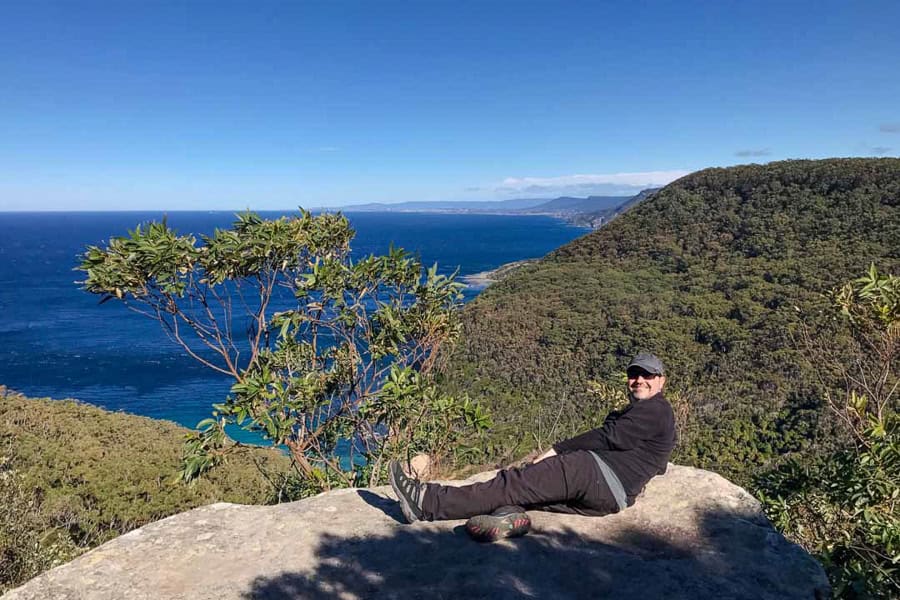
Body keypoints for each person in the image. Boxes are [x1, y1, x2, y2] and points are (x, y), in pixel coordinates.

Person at [389, 352, 677, 542]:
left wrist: (557, 449)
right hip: (610, 500)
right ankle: (509, 516)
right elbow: (659, 462)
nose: (639, 380)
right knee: (533, 494)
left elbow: (610, 437)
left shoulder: (655, 409)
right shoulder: (659, 415)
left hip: (592, 474)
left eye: (647, 375)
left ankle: (425, 502)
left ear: (661, 381)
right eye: (634, 374)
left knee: (514, 481)